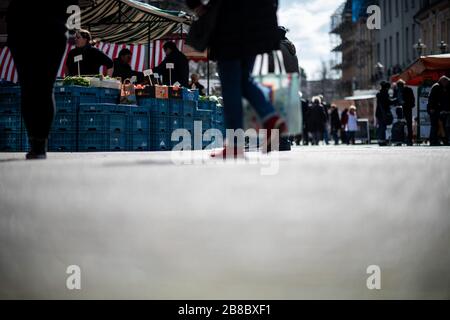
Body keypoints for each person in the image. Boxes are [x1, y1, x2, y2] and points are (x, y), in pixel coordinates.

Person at [186, 0, 287, 158]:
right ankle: (270, 117)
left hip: (230, 22)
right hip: (258, 23)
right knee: (243, 79)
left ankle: (235, 144)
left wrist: (196, 5)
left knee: (231, 83)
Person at [7, 1, 71, 159]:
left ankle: (34, 143)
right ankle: (40, 145)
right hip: (54, 29)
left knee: (28, 87)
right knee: (46, 87)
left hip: (21, 28)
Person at [427, 76, 450, 146]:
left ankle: (436, 140)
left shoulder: (442, 87)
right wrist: (431, 108)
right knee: (435, 125)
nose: (447, 83)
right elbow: (431, 98)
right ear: (443, 81)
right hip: (434, 109)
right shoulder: (436, 87)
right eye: (446, 82)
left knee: (438, 125)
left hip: (438, 109)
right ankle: (433, 141)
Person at [394, 79, 415, 145]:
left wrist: (409, 105)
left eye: (400, 85)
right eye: (399, 86)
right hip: (401, 109)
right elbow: (395, 98)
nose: (399, 87)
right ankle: (402, 139)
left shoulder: (408, 89)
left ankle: (408, 140)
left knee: (408, 124)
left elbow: (412, 99)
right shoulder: (397, 90)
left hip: (406, 108)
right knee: (403, 125)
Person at [376, 81, 395, 146]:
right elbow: (386, 103)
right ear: (386, 87)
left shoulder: (380, 93)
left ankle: (381, 140)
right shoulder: (384, 94)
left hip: (379, 113)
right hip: (382, 113)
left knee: (382, 127)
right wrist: (395, 100)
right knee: (382, 127)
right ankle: (381, 141)